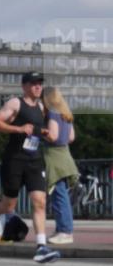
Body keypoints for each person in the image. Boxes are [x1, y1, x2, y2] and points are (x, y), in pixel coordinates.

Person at [0, 72, 61, 263]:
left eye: (40, 84)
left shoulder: (42, 107)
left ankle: (41, 246)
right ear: (24, 86)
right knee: (9, 205)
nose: (38, 87)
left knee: (39, 200)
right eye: (34, 84)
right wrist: (18, 129)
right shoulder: (15, 104)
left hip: (34, 159)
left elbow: (34, 130)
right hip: (14, 159)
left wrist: (43, 133)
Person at [42, 86, 78, 245]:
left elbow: (53, 136)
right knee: (61, 196)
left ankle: (65, 231)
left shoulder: (53, 114)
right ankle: (62, 229)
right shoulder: (66, 115)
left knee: (59, 196)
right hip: (65, 156)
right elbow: (71, 137)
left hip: (54, 158)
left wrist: (40, 132)